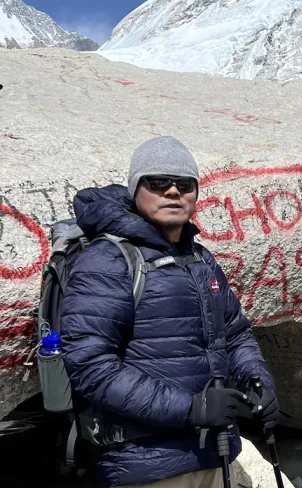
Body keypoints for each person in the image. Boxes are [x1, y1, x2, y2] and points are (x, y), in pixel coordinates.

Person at [60, 136, 280, 488]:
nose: (173, 191)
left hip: (215, 453)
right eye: (158, 182)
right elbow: (90, 365)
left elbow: (236, 333)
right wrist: (190, 409)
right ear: (136, 189)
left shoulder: (200, 259)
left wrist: (258, 383)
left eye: (184, 183)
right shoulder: (107, 260)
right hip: (145, 466)